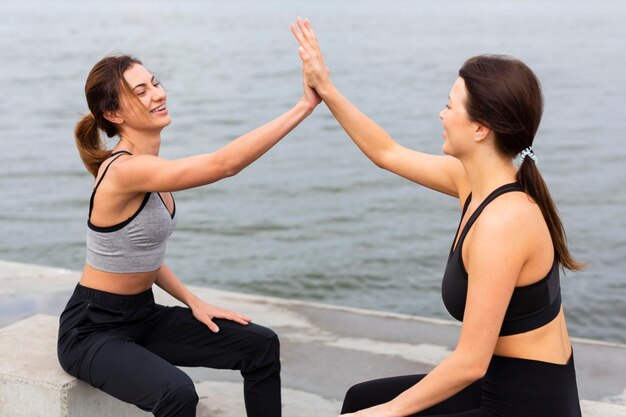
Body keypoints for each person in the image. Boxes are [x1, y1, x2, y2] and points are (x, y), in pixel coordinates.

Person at [291, 18, 584, 417]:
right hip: (499, 382)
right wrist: (324, 86)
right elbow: (387, 152)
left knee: (374, 409)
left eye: (449, 105)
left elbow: (470, 362)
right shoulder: (475, 182)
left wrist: (389, 413)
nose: (441, 114)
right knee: (362, 398)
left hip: (527, 404)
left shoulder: (504, 223)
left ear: (480, 129)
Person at [57, 54, 322, 417]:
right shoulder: (124, 171)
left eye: (155, 82)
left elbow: (142, 253)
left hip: (142, 315)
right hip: (92, 330)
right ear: (114, 114)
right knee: (177, 393)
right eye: (141, 90)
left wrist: (192, 300)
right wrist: (304, 106)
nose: (157, 93)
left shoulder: (153, 170)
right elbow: (224, 164)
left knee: (260, 346)